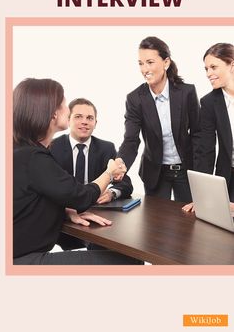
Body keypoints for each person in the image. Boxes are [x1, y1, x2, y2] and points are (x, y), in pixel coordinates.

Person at [13, 78, 140, 265]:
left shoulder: (21, 151)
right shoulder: (36, 157)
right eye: (64, 104)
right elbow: (79, 196)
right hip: (22, 258)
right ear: (52, 113)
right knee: (129, 261)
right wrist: (109, 173)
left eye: (89, 118)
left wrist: (65, 211)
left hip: (19, 251)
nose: (67, 109)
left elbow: (33, 200)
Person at [118, 36, 200, 203]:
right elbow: (131, 140)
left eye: (150, 62)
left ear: (166, 62)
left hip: (186, 171)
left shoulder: (187, 93)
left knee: (189, 223)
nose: (144, 69)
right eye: (140, 63)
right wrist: (120, 164)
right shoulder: (135, 99)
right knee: (155, 224)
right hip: (155, 172)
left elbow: (198, 134)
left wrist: (200, 173)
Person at [50, 97, 132, 250]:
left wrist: (112, 193)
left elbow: (126, 183)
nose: (84, 122)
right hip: (64, 217)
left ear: (95, 123)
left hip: (97, 215)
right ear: (68, 120)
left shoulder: (106, 148)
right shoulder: (52, 147)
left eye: (89, 118)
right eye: (78, 117)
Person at [183, 42, 234, 212]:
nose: (209, 73)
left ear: (232, 65)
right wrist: (201, 196)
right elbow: (205, 151)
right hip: (228, 178)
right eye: (206, 69)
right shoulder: (209, 102)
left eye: (213, 67)